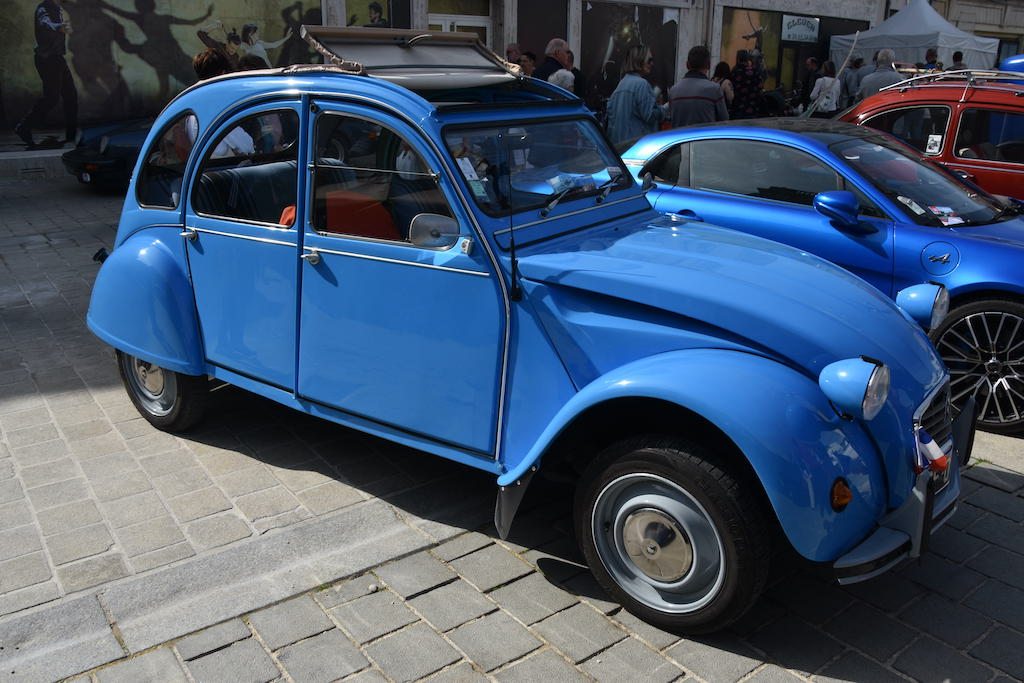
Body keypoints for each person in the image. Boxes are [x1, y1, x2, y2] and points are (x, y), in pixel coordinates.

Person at [15, 0, 78, 148]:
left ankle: (72, 135)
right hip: (48, 59)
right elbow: (44, 22)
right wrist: (58, 26)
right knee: (51, 98)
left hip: (57, 58)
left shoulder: (57, 7)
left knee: (70, 96)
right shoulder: (44, 8)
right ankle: (24, 126)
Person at [605, 44, 664, 145]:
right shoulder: (641, 84)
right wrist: (664, 108)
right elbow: (650, 116)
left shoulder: (621, 84)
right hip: (638, 146)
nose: (652, 63)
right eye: (649, 60)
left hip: (620, 147)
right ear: (639, 60)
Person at [669, 46, 728, 127]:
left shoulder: (673, 91)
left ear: (687, 65)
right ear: (709, 65)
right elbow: (724, 120)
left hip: (680, 135)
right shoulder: (714, 90)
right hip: (705, 135)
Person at [729, 50, 763, 119]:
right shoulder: (755, 71)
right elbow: (760, 87)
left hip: (737, 109)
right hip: (752, 109)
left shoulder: (734, 71)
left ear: (738, 58)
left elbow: (730, 89)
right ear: (747, 58)